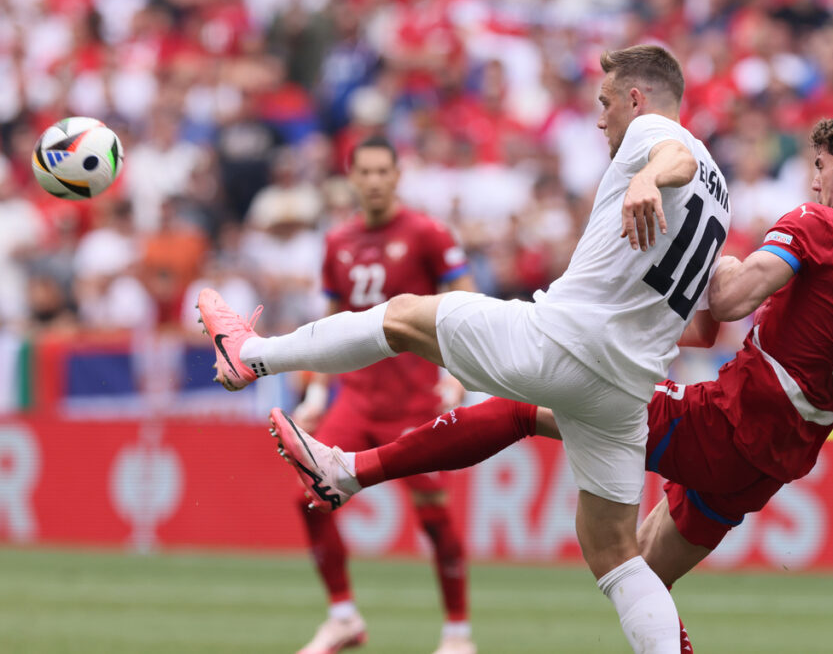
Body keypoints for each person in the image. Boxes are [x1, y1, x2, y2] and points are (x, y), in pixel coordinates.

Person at [267, 109, 833, 650]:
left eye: (821, 168)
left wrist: (680, 256)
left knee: (536, 403)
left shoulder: (820, 226)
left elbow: (726, 298)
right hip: (779, 460)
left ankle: (353, 468)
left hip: (727, 419)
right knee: (640, 581)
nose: (815, 182)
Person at [199, 44, 732, 654]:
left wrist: (645, 175)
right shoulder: (721, 188)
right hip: (626, 388)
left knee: (401, 317)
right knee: (616, 552)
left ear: (637, 99)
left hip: (564, 343)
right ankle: (348, 473)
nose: (600, 118)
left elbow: (673, 156)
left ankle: (253, 354)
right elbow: (703, 323)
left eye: (606, 103)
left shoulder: (657, 135)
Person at [288, 137, 477, 654]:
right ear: (352, 177)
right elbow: (329, 324)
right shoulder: (337, 242)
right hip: (357, 396)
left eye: (381, 171)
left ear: (397, 176)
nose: (373, 180)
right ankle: (343, 616)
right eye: (364, 171)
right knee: (310, 497)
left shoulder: (427, 234)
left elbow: (464, 303)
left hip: (414, 400)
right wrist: (318, 388)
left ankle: (458, 633)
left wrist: (456, 376)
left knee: (434, 519)